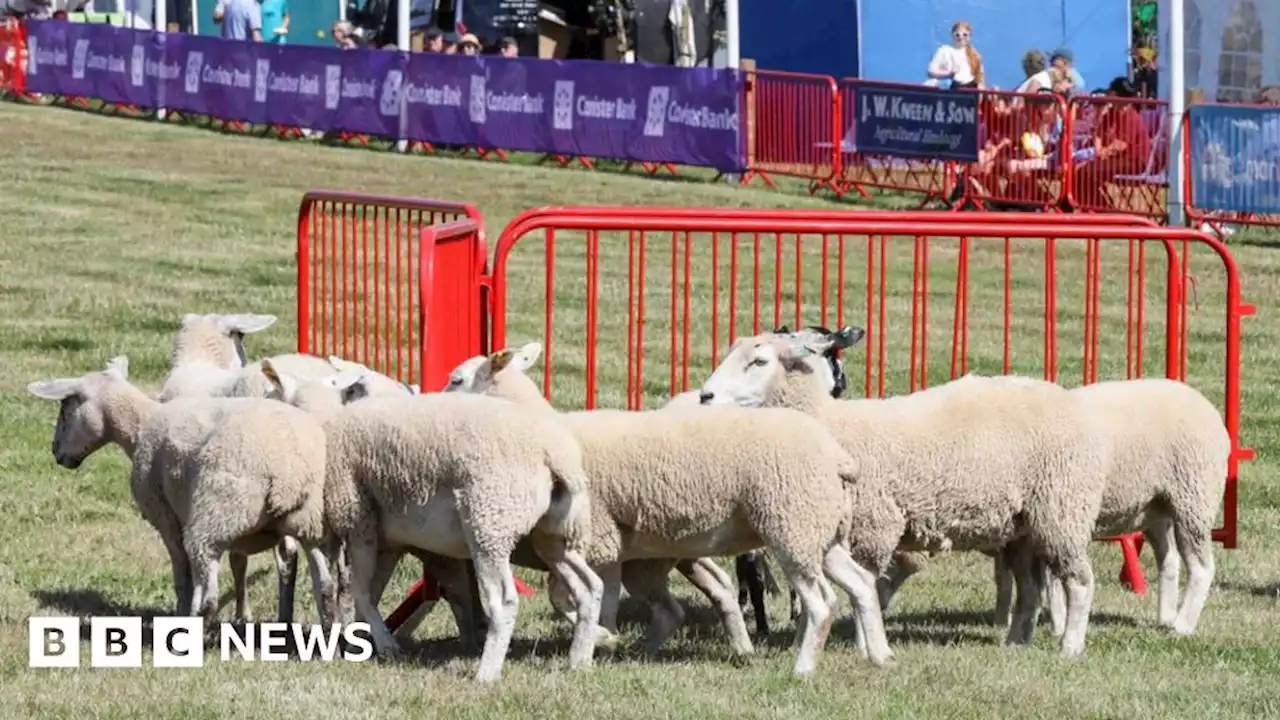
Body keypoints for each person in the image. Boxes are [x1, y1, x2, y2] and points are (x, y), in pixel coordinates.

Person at [925, 20, 984, 89]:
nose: (961, 37)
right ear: (952, 35)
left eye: (965, 35)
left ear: (970, 36)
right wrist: (948, 73)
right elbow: (930, 72)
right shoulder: (944, 50)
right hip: (951, 89)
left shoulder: (975, 54)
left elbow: (980, 79)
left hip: (970, 91)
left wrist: (980, 95)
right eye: (957, 35)